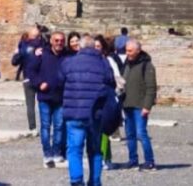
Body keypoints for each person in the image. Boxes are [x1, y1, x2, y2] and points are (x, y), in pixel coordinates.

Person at [61, 34, 115, 186]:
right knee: (95, 150)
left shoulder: (69, 62)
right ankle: (95, 181)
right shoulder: (103, 63)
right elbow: (111, 83)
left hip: (74, 113)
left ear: (80, 47)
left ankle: (77, 181)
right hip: (95, 114)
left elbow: (60, 80)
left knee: (74, 150)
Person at [28, 30, 68, 169]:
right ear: (51, 41)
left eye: (62, 40)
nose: (59, 43)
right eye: (56, 40)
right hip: (45, 97)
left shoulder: (66, 56)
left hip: (61, 97)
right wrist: (39, 83)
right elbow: (30, 71)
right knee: (45, 127)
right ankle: (47, 154)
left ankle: (57, 153)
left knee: (59, 127)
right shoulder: (42, 54)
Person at [121, 39, 156, 170]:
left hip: (140, 105)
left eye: (130, 50)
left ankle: (150, 160)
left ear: (138, 50)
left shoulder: (147, 66)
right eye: (126, 50)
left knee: (141, 134)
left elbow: (151, 87)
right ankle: (133, 159)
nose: (127, 53)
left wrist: (147, 106)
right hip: (127, 104)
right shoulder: (127, 63)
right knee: (130, 134)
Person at [94, 36, 124, 171]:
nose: (96, 49)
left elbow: (117, 78)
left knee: (104, 131)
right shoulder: (89, 61)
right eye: (94, 47)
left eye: (98, 47)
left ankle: (105, 158)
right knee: (95, 133)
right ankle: (99, 157)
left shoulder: (108, 61)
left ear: (103, 48)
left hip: (106, 98)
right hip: (93, 99)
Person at [15, 26, 43, 132]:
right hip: (41, 79)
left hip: (28, 78)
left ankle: (32, 128)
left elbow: (14, 61)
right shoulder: (44, 46)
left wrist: (19, 52)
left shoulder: (24, 46)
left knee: (30, 105)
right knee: (44, 104)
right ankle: (45, 126)